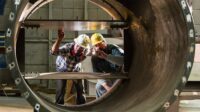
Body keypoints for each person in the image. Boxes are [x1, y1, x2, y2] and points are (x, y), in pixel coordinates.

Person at [51, 28, 90, 105]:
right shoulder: (67, 48)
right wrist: (59, 39)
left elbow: (89, 51)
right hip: (62, 68)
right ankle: (59, 107)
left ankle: (82, 107)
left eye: (82, 48)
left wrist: (85, 55)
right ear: (75, 43)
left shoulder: (85, 50)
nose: (79, 49)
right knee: (61, 89)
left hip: (75, 69)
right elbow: (53, 52)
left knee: (80, 89)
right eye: (78, 46)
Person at [90, 33, 124, 98]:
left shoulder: (113, 48)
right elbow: (97, 74)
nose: (98, 47)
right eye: (96, 45)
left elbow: (122, 62)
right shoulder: (94, 58)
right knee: (99, 87)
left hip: (120, 75)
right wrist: (107, 87)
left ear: (104, 42)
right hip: (109, 77)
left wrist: (106, 57)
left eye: (99, 44)